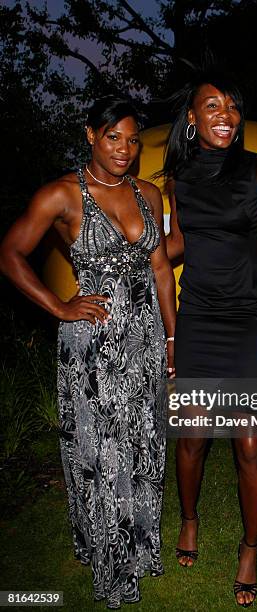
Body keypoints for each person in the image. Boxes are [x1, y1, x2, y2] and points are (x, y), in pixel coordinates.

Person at [0, 96, 176, 609]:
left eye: (132, 138)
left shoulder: (148, 194)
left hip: (144, 339)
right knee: (103, 455)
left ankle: (140, 549)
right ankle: (109, 562)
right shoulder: (62, 195)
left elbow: (161, 268)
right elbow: (10, 254)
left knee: (144, 445)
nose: (124, 149)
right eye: (112, 137)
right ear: (90, 136)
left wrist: (171, 335)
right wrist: (57, 305)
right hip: (94, 345)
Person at [163, 73, 257, 607]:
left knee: (250, 443)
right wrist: (133, 257)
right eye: (212, 106)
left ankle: (249, 548)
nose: (225, 115)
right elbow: (176, 243)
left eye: (233, 107)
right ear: (191, 118)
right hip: (198, 318)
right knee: (193, 438)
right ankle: (190, 520)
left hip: (248, 320)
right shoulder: (179, 177)